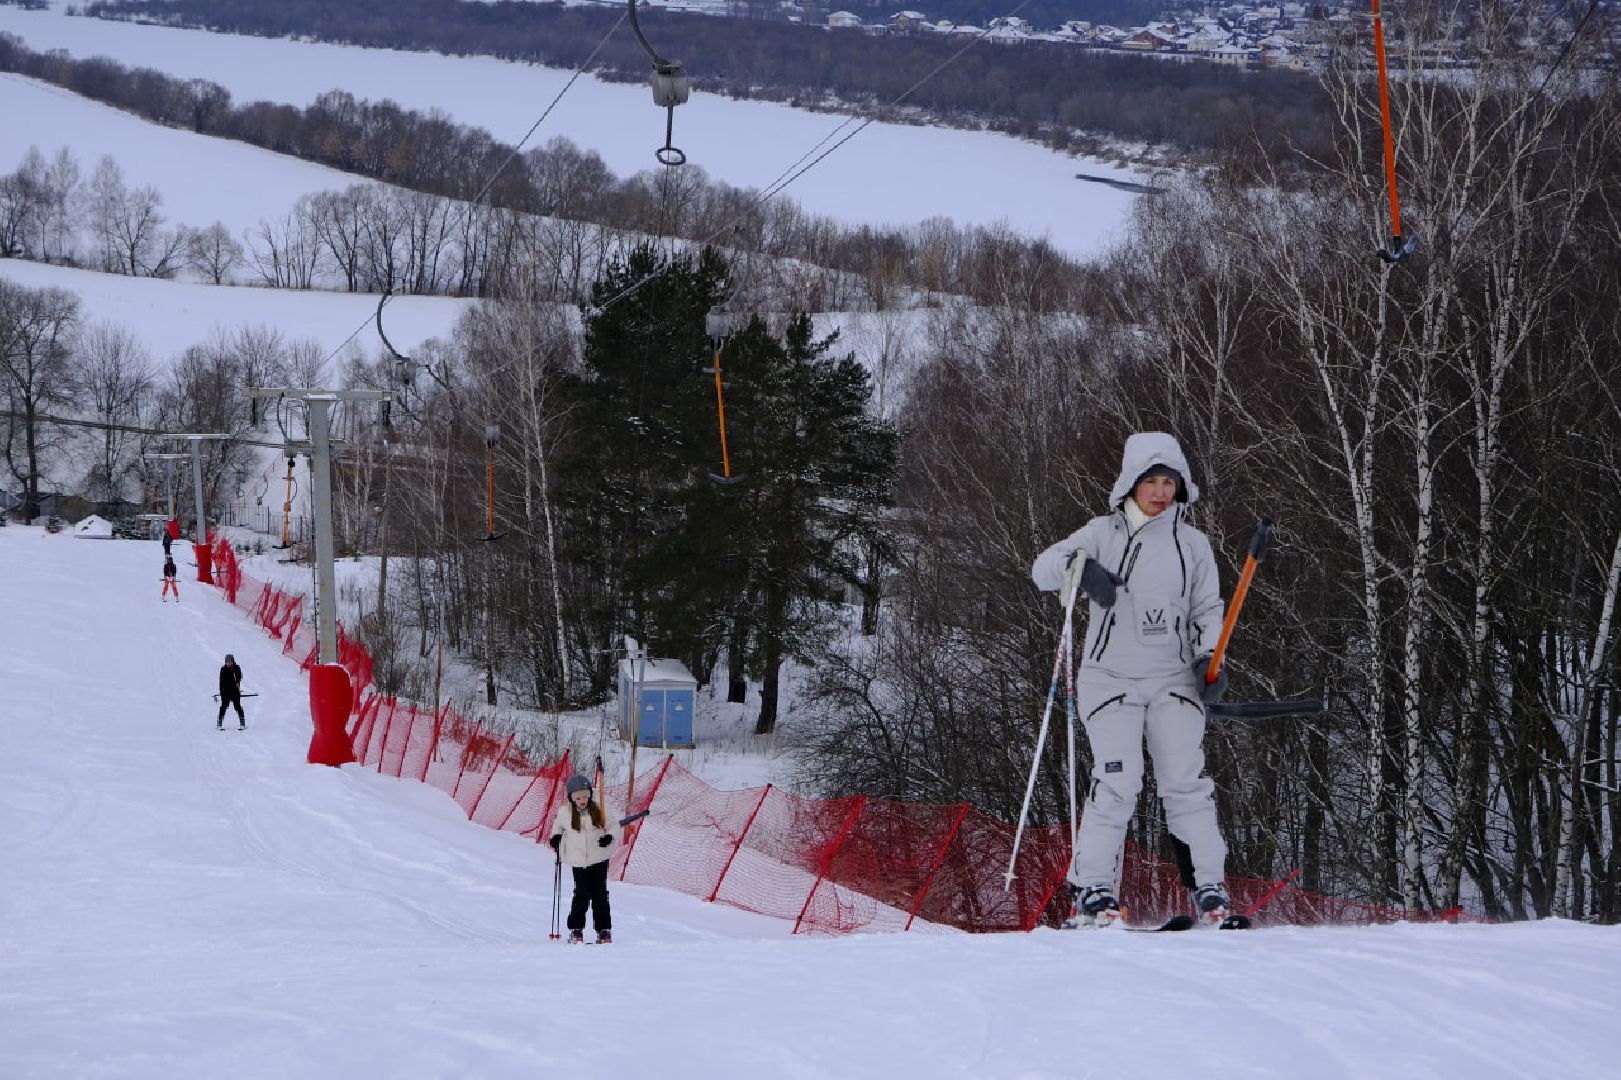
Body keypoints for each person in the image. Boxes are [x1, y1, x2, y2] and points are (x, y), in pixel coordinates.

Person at [1030, 432, 1231, 928]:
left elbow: (1208, 608)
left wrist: (1211, 660)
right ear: (1131, 485)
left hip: (1174, 680)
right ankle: (1093, 889)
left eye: (1169, 482)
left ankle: (1210, 887)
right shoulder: (1102, 532)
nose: (1161, 492)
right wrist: (1083, 570)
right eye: (1151, 481)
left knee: (1186, 783)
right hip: (1110, 679)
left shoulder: (1193, 544)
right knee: (1118, 781)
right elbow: (1042, 569)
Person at [549, 775, 617, 944]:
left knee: (600, 894)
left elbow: (614, 825)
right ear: (572, 798)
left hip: (599, 858)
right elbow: (557, 826)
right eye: (578, 798)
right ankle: (576, 929)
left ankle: (603, 930)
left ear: (590, 796)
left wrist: (609, 836)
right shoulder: (565, 812)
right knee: (581, 894)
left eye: (585, 796)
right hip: (579, 861)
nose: (582, 800)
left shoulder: (599, 809)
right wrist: (556, 837)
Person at [218, 654, 246, 731]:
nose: (228, 663)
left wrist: (235, 674)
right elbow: (221, 682)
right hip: (226, 693)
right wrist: (222, 691)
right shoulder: (223, 669)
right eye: (227, 661)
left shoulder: (237, 668)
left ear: (233, 661)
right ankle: (219, 723)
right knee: (223, 707)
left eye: (230, 661)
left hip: (235, 692)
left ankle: (242, 723)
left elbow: (239, 678)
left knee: (237, 706)